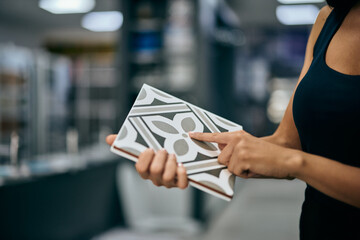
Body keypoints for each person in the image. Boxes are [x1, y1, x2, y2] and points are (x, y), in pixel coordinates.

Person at [107, 0, 360, 238]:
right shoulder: (328, 20)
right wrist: (188, 158)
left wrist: (296, 164)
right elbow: (287, 142)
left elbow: (290, 157)